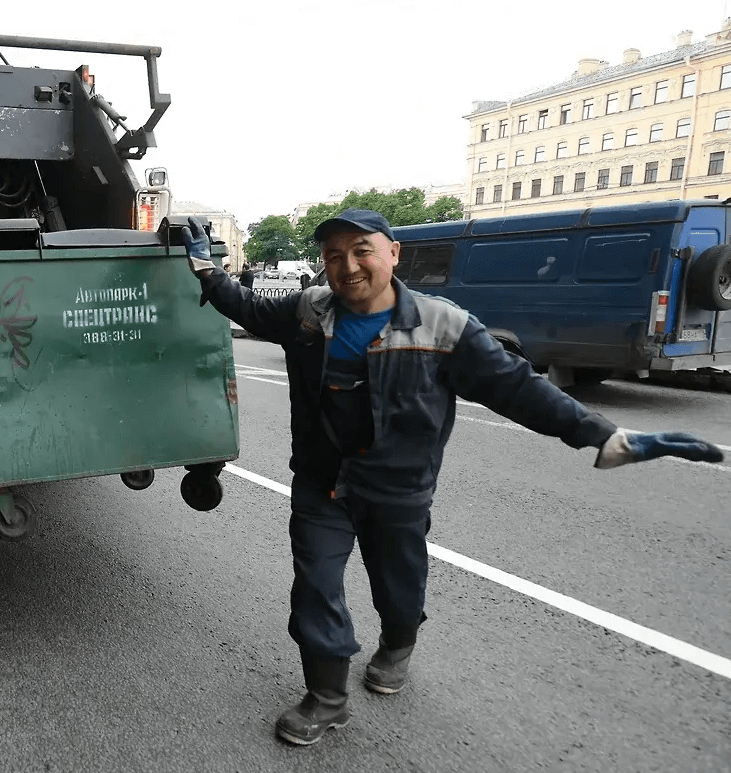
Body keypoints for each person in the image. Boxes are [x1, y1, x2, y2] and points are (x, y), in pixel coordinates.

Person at [180, 210, 723, 746]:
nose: (348, 266)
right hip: (323, 485)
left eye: (362, 250)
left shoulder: (445, 326)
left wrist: (602, 435)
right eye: (334, 255)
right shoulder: (307, 312)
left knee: (398, 585)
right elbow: (246, 306)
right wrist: (206, 267)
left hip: (400, 490)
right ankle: (326, 698)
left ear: (393, 254)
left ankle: (398, 642)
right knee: (315, 587)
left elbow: (518, 388)